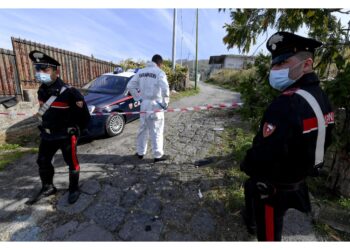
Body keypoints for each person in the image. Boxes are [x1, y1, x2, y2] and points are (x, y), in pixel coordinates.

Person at [240, 32, 334, 241]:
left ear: (306, 65)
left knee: (270, 236)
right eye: (273, 65)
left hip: (275, 188)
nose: (274, 70)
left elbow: (265, 153)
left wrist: (246, 163)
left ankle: (255, 225)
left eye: (282, 63)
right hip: (300, 178)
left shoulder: (286, 103)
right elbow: (327, 138)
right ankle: (251, 220)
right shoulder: (320, 96)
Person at [26, 50, 90, 205]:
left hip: (65, 136)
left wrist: (76, 131)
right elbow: (44, 110)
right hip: (47, 135)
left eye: (45, 70)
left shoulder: (70, 92)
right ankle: (48, 187)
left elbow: (85, 117)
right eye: (38, 69)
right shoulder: (42, 89)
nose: (41, 73)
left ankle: (74, 188)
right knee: (42, 161)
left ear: (57, 71)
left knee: (72, 163)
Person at [127, 54, 170, 163]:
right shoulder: (159, 72)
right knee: (157, 130)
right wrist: (165, 103)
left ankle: (140, 153)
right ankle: (158, 155)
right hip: (155, 104)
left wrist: (138, 98)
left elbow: (130, 85)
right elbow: (165, 88)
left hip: (144, 104)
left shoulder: (141, 72)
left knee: (143, 129)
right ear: (159, 63)